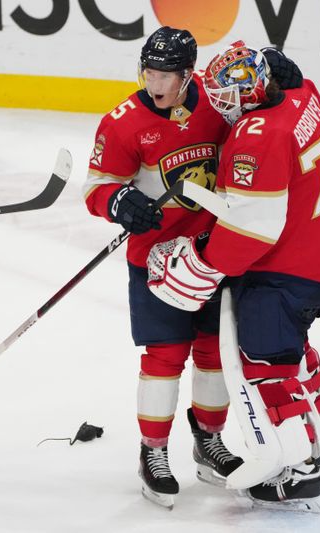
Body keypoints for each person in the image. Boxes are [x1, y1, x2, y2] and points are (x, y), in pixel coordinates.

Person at [146, 40, 320, 510]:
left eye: (225, 93)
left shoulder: (255, 135)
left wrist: (201, 262)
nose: (218, 102)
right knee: (291, 345)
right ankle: (316, 419)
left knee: (267, 366)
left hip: (284, 274)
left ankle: (301, 470)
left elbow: (247, 235)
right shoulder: (304, 97)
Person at [83, 26, 244, 509]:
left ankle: (208, 440)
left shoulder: (217, 106)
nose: (155, 85)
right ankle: (152, 452)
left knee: (214, 352)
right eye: (149, 72)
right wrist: (121, 201)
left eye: (165, 76)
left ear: (188, 74)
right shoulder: (122, 122)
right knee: (165, 356)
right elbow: (96, 188)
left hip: (213, 252)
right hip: (155, 260)